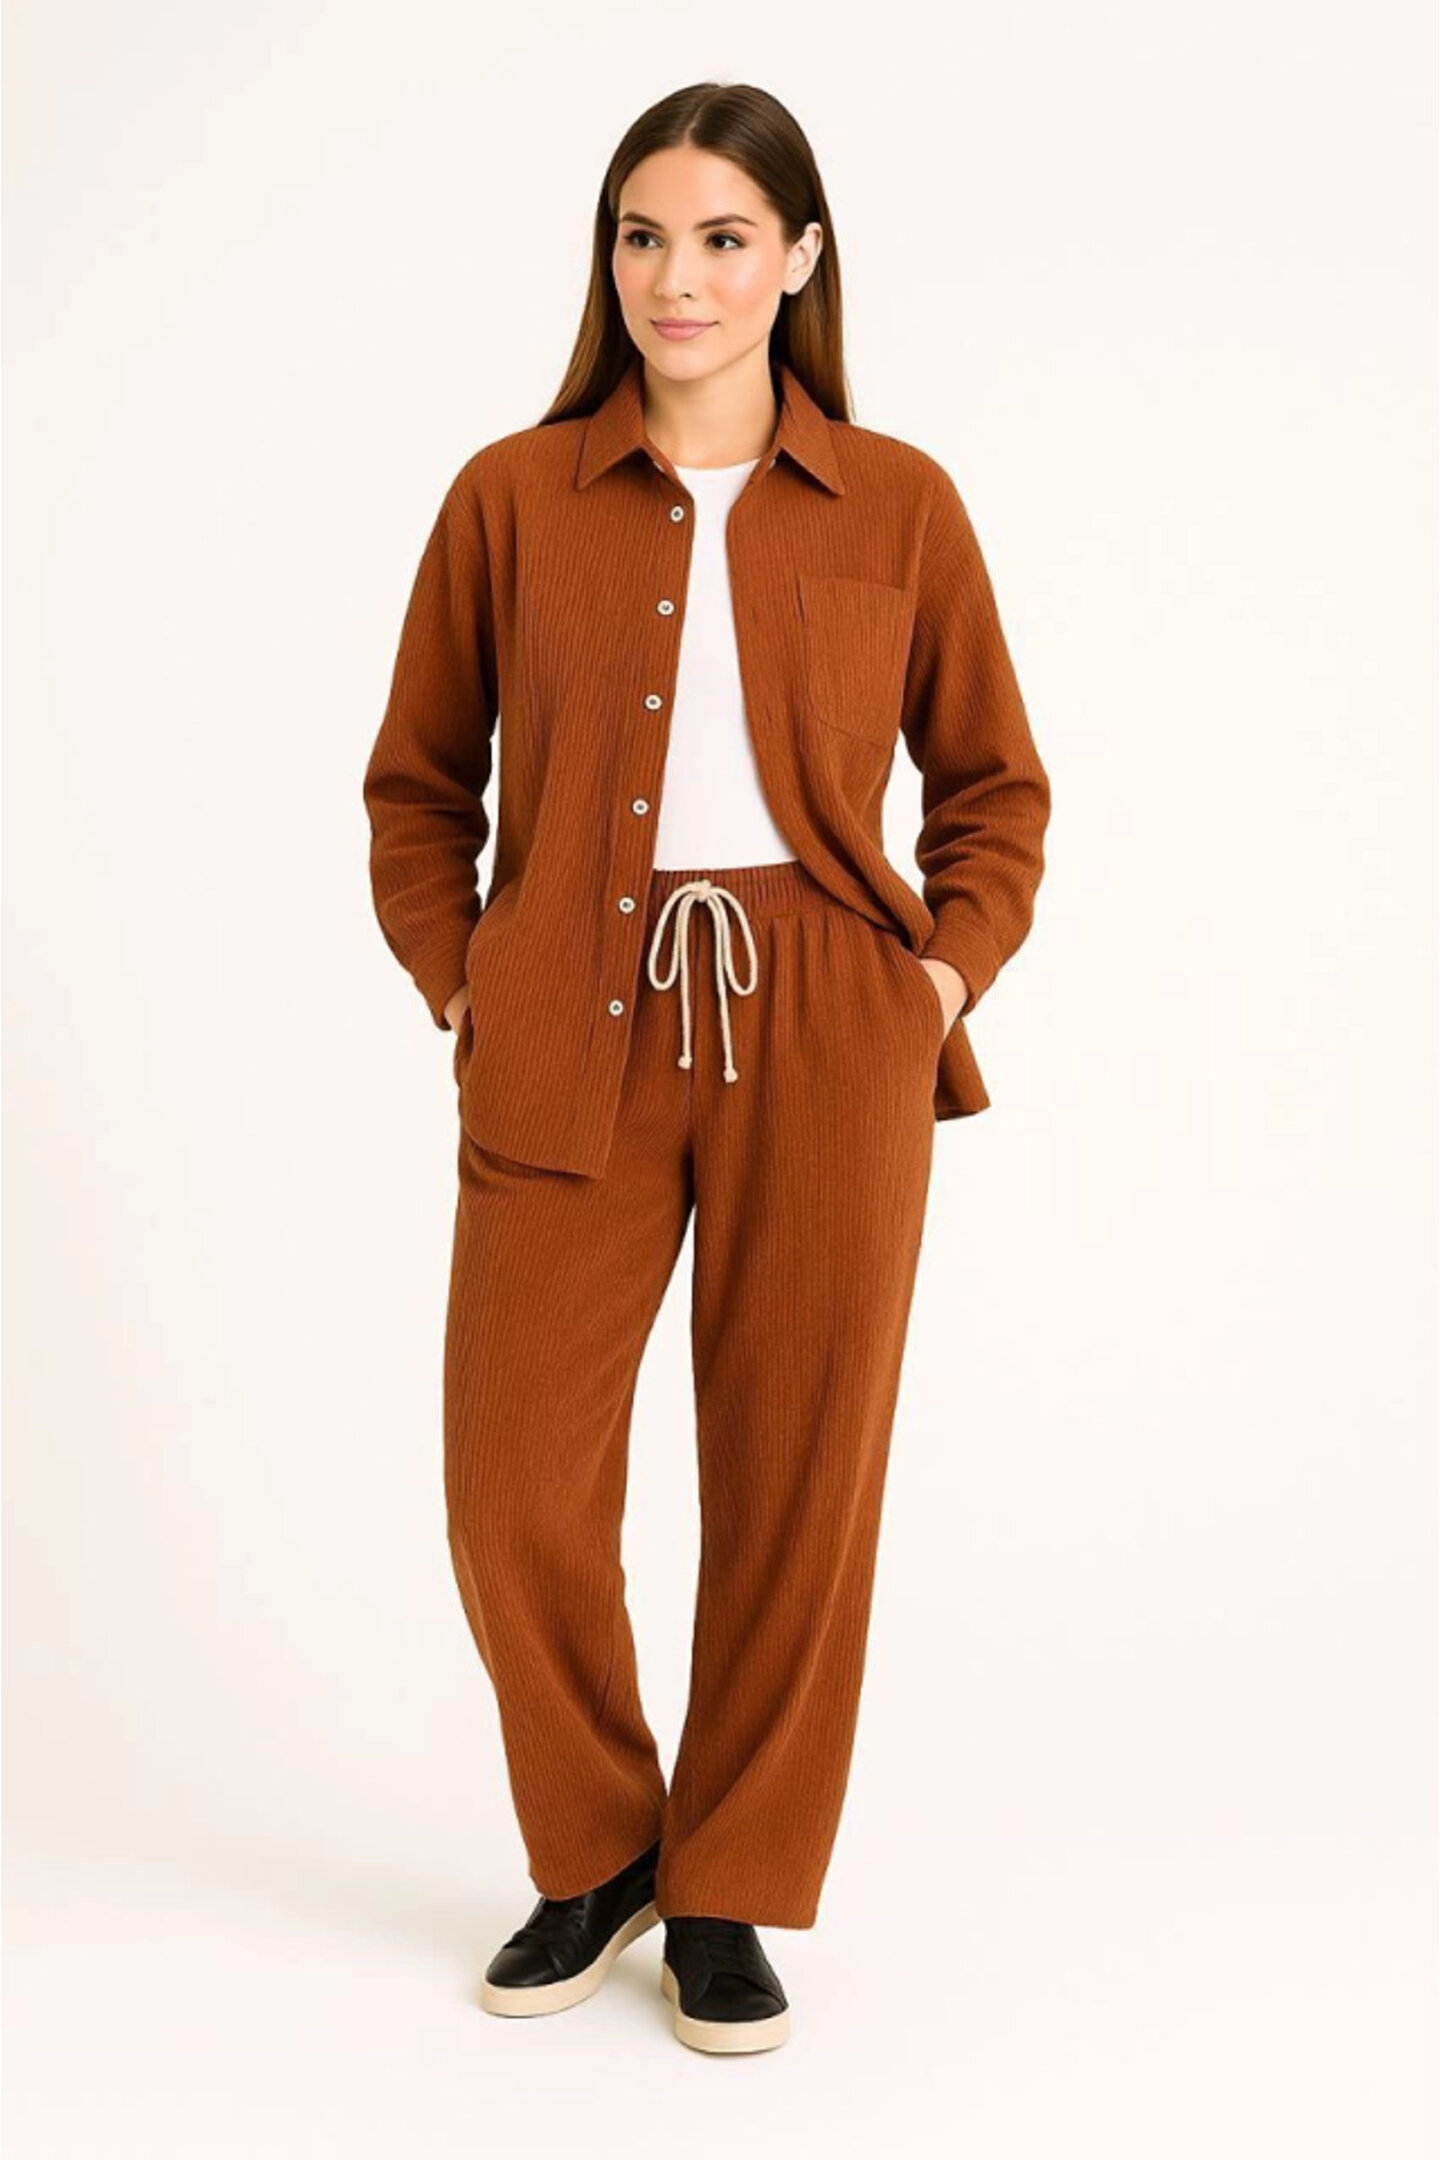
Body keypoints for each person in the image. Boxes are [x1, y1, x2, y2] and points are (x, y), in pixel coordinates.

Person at [363, 80, 1050, 2055]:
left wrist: (933, 984)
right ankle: (599, 1850)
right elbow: (420, 786)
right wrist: (466, 984)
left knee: (795, 1479)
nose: (679, 278)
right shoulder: (511, 497)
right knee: (513, 1480)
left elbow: (993, 790)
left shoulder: (899, 502)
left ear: (801, 260)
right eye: (644, 237)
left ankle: (732, 1883)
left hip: (826, 1025)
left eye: (726, 238)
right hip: (568, 1012)